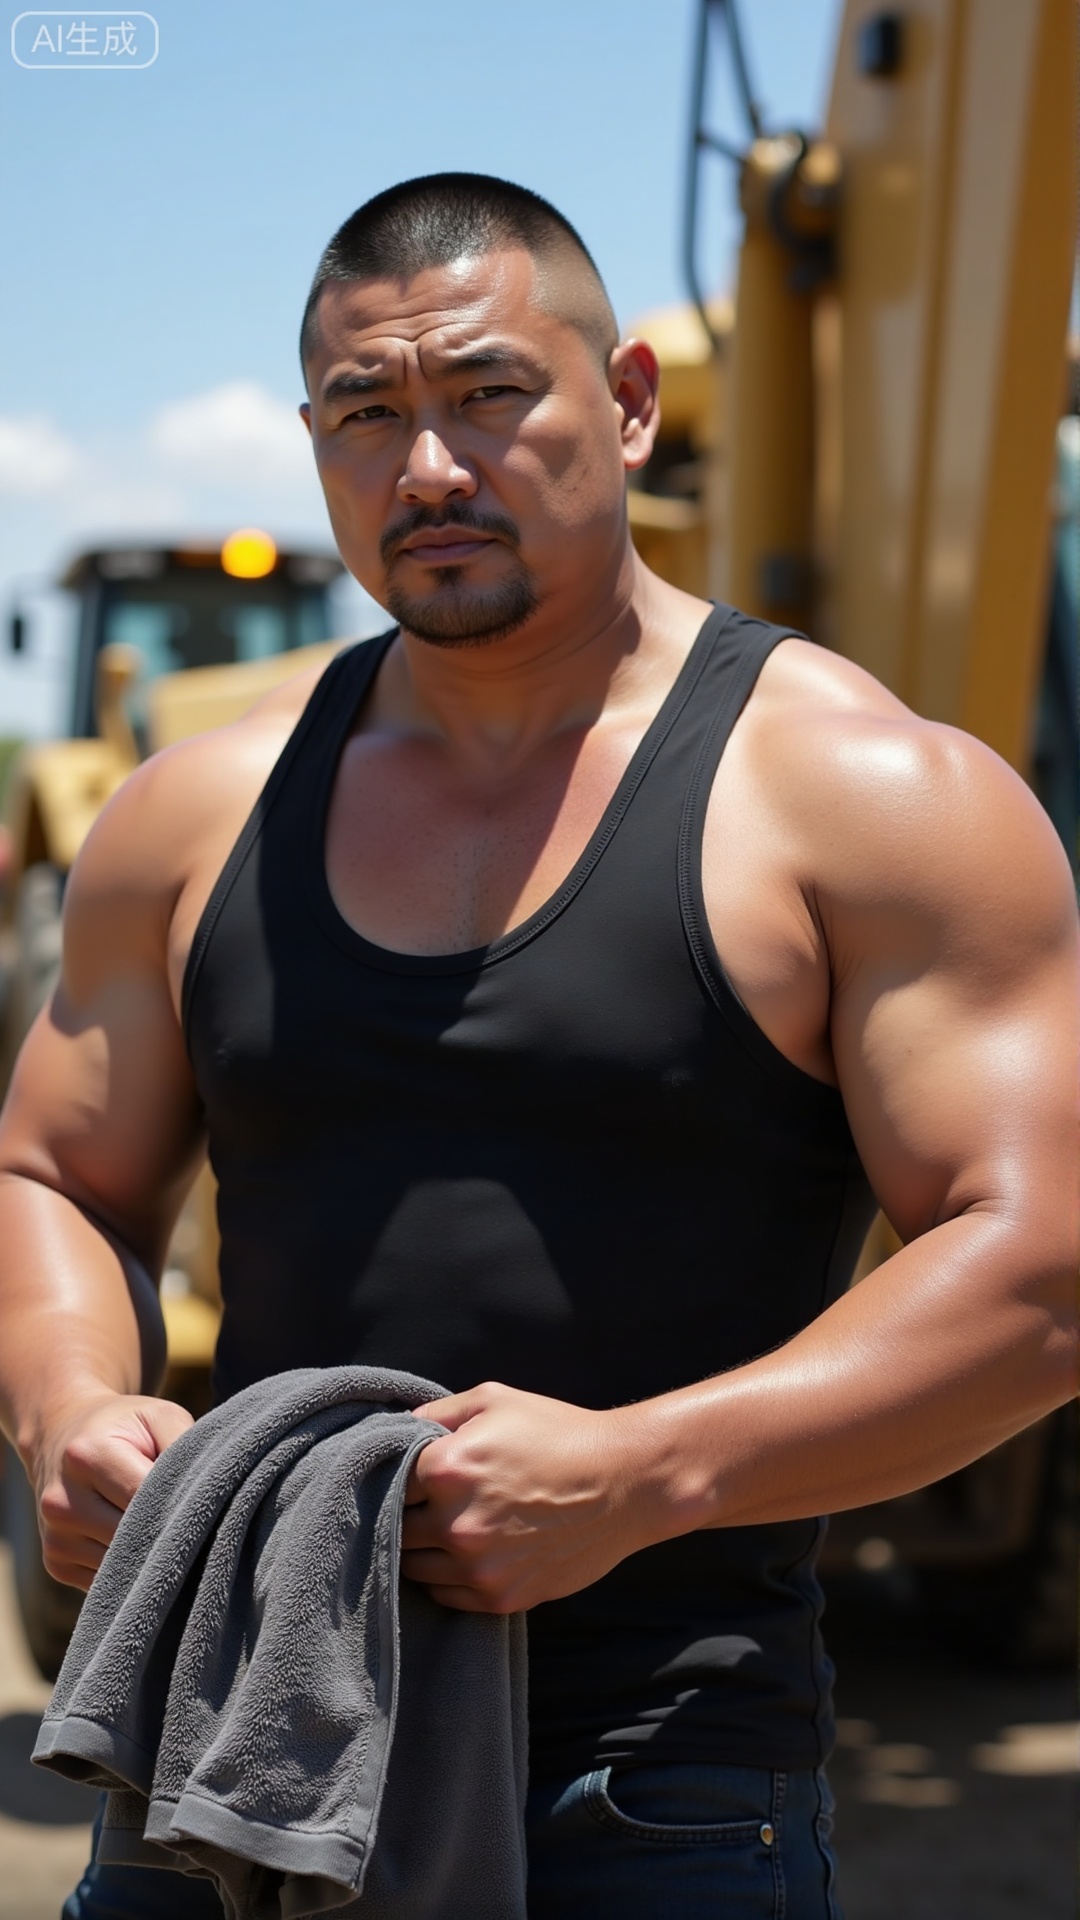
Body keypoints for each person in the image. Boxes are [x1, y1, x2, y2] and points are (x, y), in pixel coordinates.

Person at [0, 174, 1075, 1919]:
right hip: (231, 1759)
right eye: (368, 413)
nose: (428, 465)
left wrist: (643, 1475)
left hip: (658, 1785)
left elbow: (1044, 1268)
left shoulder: (869, 798)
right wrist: (64, 1409)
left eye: (490, 394)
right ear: (316, 442)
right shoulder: (195, 811)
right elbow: (53, 1170)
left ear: (631, 402)